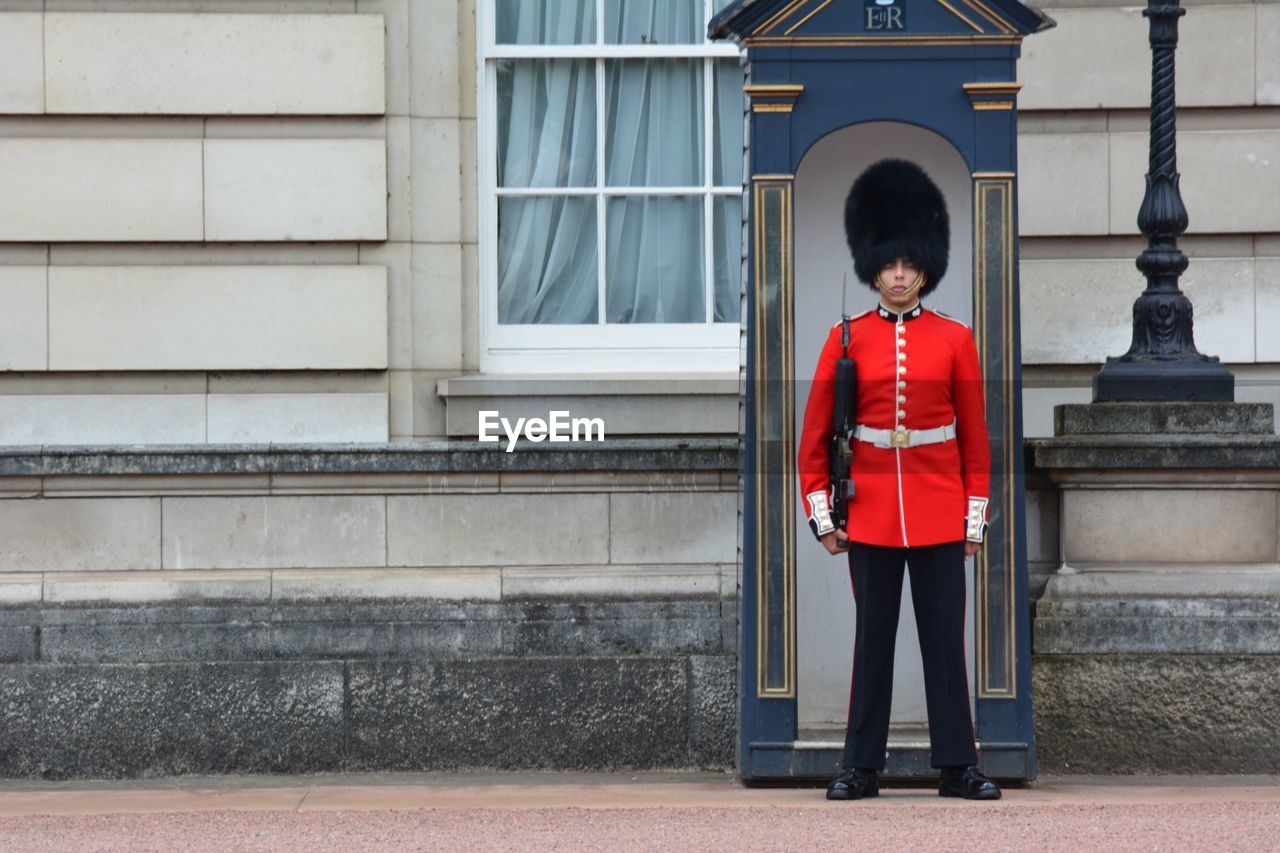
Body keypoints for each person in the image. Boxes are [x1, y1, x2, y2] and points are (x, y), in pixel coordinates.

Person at [797, 158, 1000, 801]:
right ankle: (861, 765)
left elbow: (974, 438)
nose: (900, 275)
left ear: (924, 265)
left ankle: (957, 765)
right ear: (873, 264)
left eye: (910, 263)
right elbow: (813, 443)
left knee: (944, 641)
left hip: (940, 508)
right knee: (873, 641)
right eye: (889, 264)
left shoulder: (955, 340)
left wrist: (973, 519)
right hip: (873, 509)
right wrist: (825, 518)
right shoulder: (845, 339)